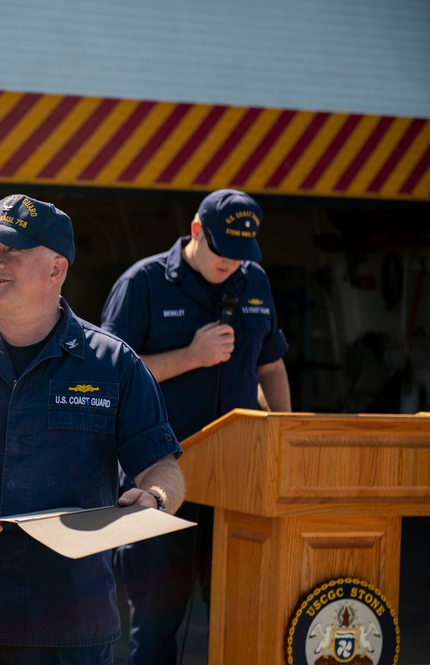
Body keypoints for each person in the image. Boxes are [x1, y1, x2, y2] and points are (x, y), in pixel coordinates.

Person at [0, 194, 186, 665]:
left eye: (11, 251)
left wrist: (154, 499)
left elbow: (162, 468)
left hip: (67, 631)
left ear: (56, 269)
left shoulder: (115, 365)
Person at [100, 188, 292, 665]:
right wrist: (191, 357)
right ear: (195, 232)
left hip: (237, 486)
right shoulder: (143, 284)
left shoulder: (254, 282)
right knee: (158, 624)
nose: (232, 263)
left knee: (244, 615)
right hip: (160, 481)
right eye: (222, 250)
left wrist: (287, 436)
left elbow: (270, 366)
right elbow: (107, 377)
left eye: (242, 254)